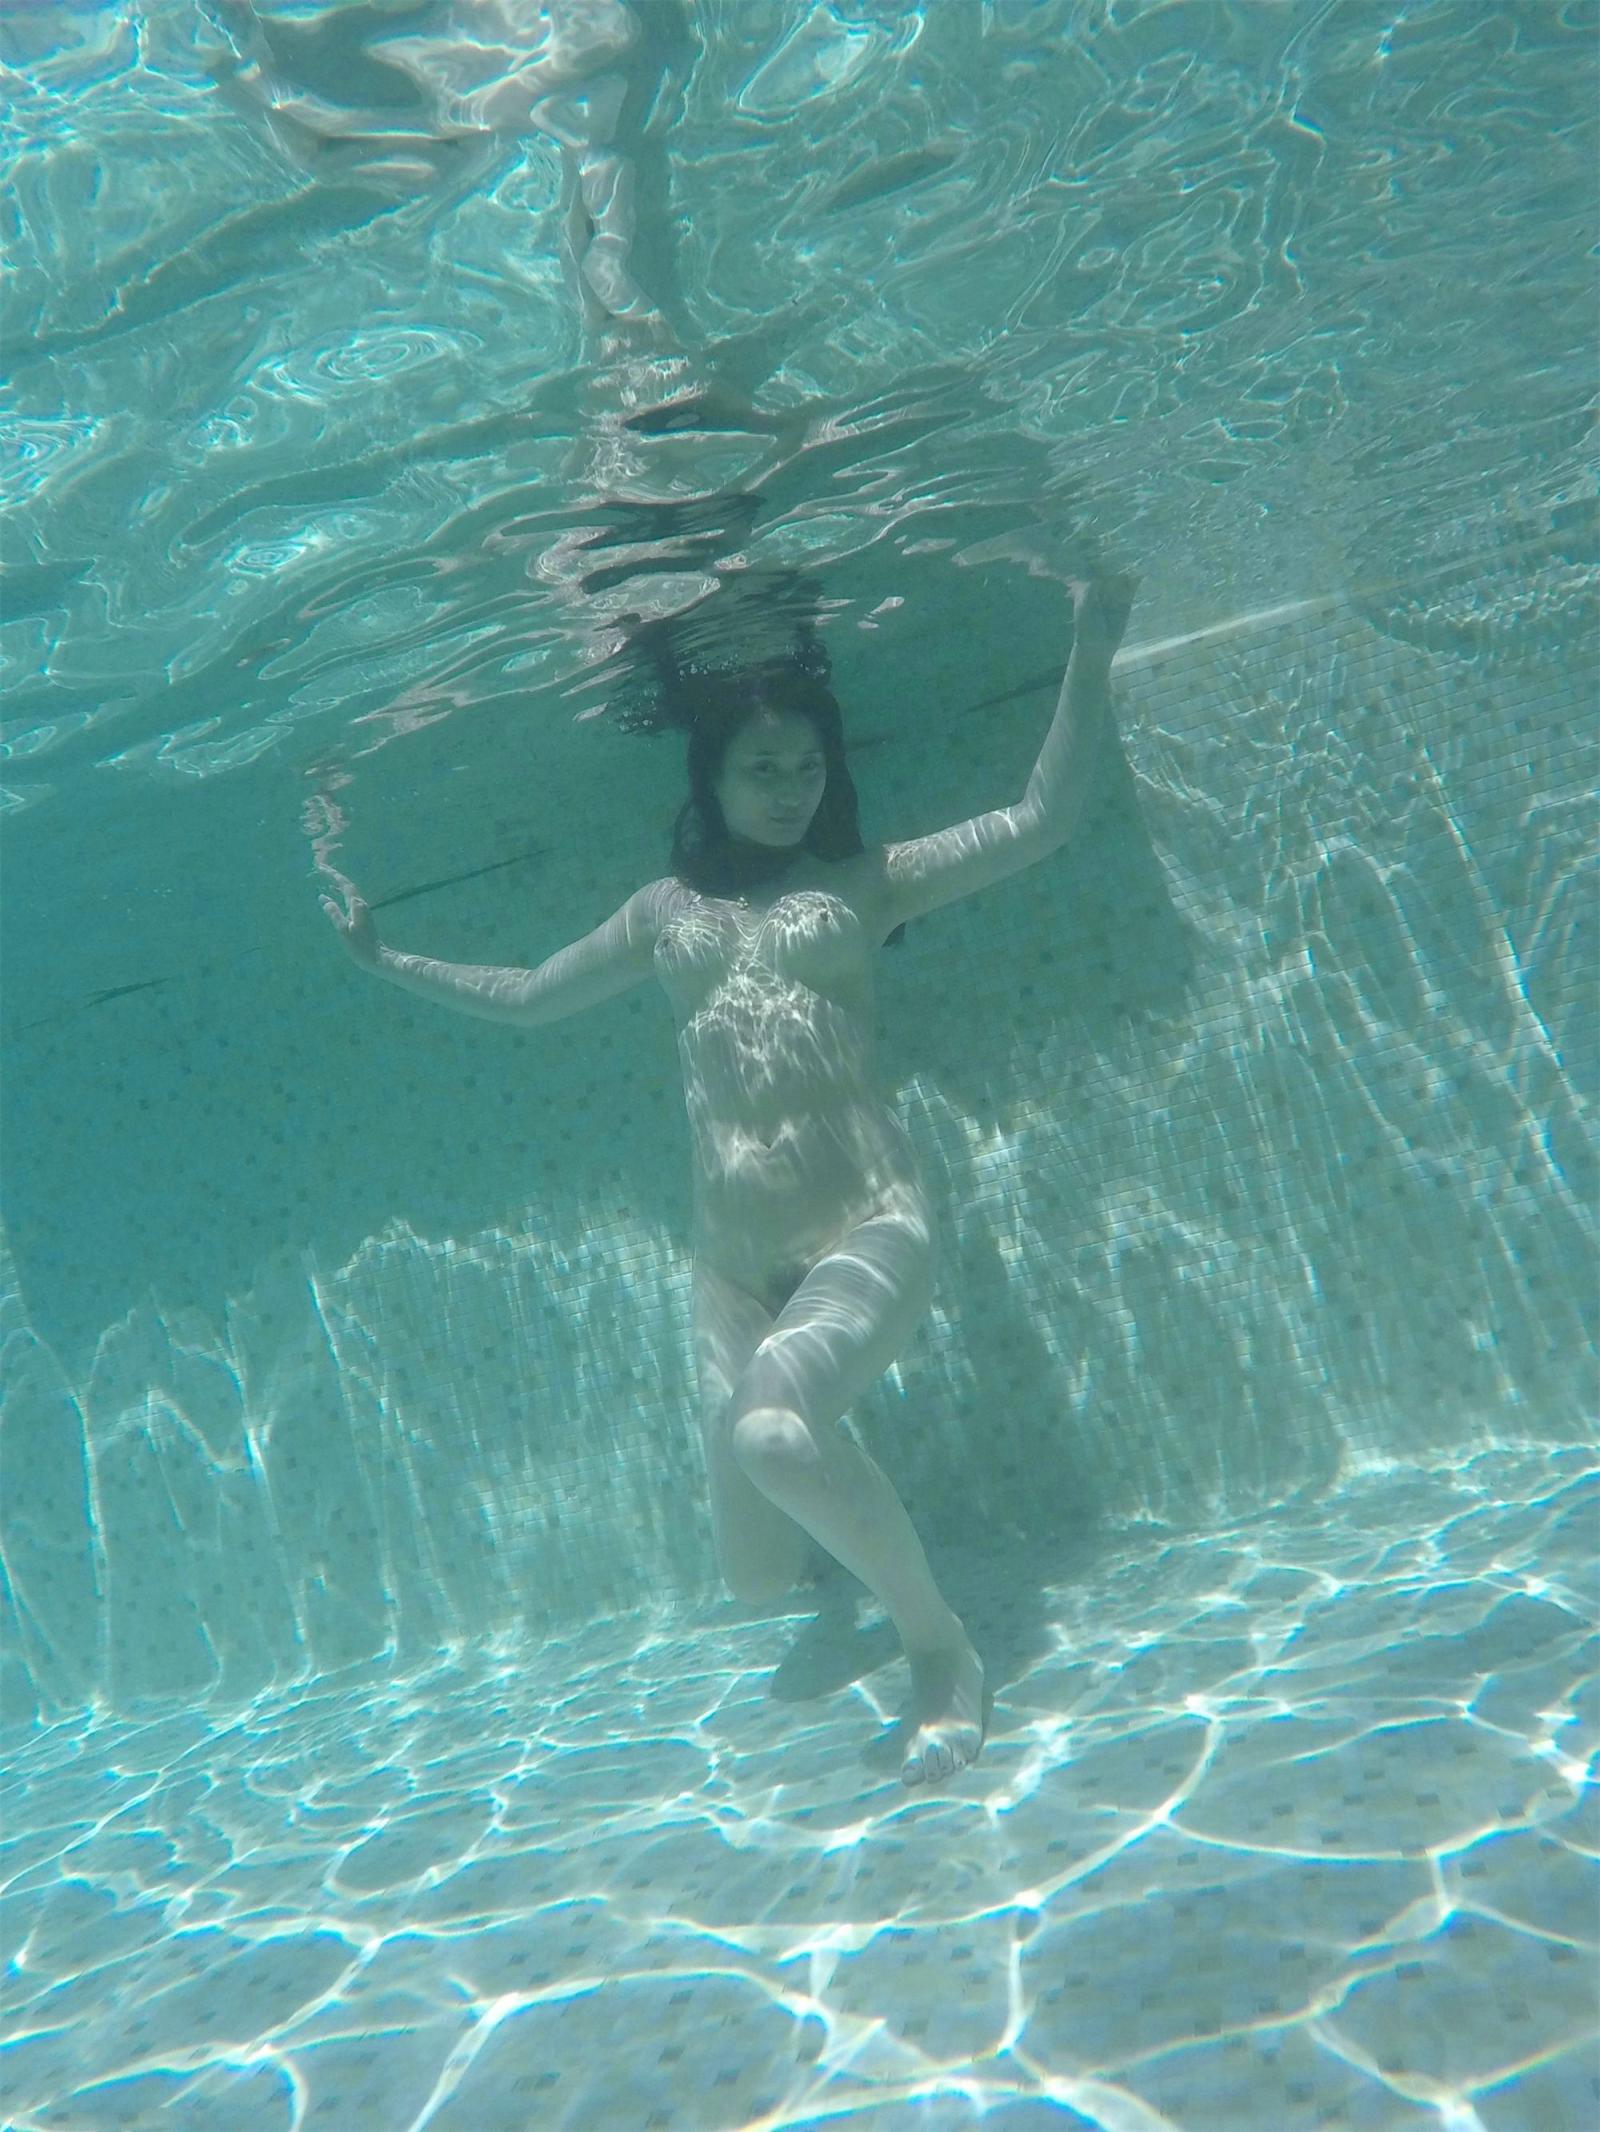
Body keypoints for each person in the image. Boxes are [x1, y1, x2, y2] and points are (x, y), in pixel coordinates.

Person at [322, 570, 1137, 1785]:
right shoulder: (661, 912)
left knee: (770, 1429)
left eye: (806, 766)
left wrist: (1091, 641)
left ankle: (940, 1647)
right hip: (733, 1269)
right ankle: (845, 1516)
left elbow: (1037, 819)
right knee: (757, 1575)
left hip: (868, 1224)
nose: (789, 786)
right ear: (707, 778)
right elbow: (533, 994)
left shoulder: (862, 882)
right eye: (761, 767)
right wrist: (383, 958)